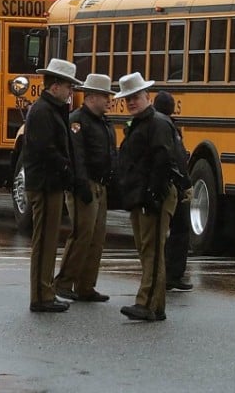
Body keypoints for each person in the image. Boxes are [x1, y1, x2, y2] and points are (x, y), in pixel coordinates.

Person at [115, 72, 179, 322]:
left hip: (153, 197)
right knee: (147, 249)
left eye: (135, 97)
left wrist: (153, 194)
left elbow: (163, 159)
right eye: (127, 98)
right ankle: (156, 304)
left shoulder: (157, 124)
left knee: (151, 250)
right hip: (140, 196)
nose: (131, 102)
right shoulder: (139, 124)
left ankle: (146, 303)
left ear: (147, 97)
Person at [20, 58, 81, 313]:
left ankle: (46, 291)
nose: (71, 92)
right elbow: (46, 150)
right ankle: (40, 295)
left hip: (51, 183)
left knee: (48, 241)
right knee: (43, 241)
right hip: (44, 184)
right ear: (55, 86)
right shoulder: (44, 111)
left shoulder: (51, 109)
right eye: (68, 86)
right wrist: (67, 170)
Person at [54, 73, 116, 303]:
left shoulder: (103, 122)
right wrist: (81, 186)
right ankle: (63, 282)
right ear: (91, 97)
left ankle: (86, 285)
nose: (109, 100)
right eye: (105, 96)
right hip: (85, 183)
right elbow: (76, 156)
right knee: (82, 234)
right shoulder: (77, 121)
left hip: (100, 183)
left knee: (97, 238)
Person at [154, 91, 194, 292]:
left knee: (174, 229)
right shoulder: (166, 128)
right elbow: (176, 158)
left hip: (172, 184)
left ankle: (168, 274)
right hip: (170, 185)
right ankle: (169, 274)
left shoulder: (168, 126)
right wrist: (185, 182)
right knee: (174, 230)